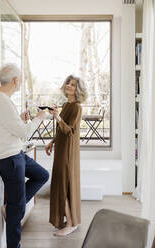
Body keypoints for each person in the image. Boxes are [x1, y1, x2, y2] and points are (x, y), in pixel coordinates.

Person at [0, 63, 49, 248]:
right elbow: (25, 134)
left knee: (42, 175)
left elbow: (7, 127)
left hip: (15, 154)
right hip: (9, 159)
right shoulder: (1, 101)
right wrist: (39, 118)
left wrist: (19, 120)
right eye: (21, 79)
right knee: (17, 210)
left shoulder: (0, 100)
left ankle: (11, 208)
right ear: (15, 80)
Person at [45, 75, 88, 236]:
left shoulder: (77, 107)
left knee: (63, 185)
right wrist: (53, 141)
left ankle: (70, 223)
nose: (69, 86)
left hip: (68, 152)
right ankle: (68, 220)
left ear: (78, 90)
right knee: (59, 184)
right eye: (68, 83)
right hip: (61, 149)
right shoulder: (66, 104)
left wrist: (57, 117)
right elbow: (62, 129)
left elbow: (70, 131)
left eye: (74, 85)